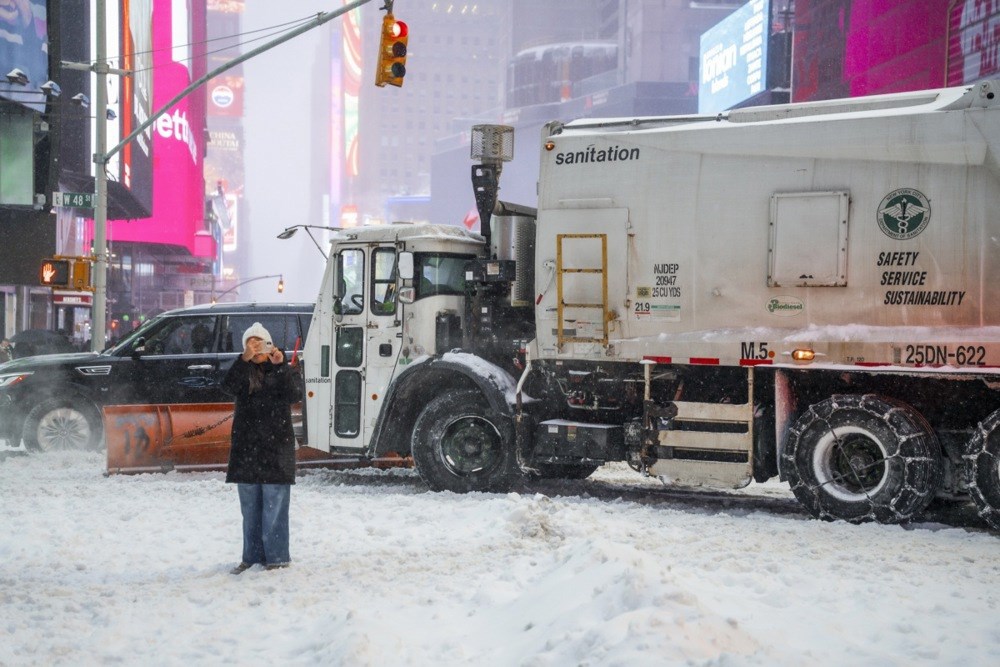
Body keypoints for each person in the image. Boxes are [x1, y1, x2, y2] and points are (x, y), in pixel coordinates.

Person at [222, 322, 301, 574]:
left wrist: (281, 366)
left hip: (276, 449)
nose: (257, 349)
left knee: (274, 506)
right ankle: (251, 557)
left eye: (261, 343)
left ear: (270, 345)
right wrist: (243, 360)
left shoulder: (280, 369)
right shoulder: (243, 371)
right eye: (251, 344)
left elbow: (294, 394)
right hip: (247, 449)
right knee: (250, 509)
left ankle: (276, 558)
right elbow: (227, 387)